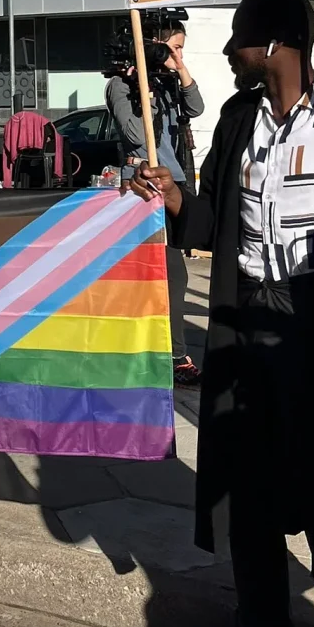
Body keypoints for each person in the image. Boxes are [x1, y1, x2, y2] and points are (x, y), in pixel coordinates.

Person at [130, 0, 314, 627]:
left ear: (272, 45)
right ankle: (262, 621)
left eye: (238, 38)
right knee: (254, 513)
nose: (229, 51)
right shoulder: (238, 119)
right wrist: (175, 197)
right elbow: (213, 224)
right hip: (246, 351)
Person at [106, 20, 204, 387]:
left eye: (181, 49)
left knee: (171, 271)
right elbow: (135, 133)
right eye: (171, 49)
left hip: (174, 181)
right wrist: (141, 90)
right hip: (144, 185)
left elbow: (196, 107)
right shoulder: (121, 84)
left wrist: (179, 70)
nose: (176, 55)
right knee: (168, 271)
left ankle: (169, 351)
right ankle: (175, 356)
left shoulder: (167, 83)